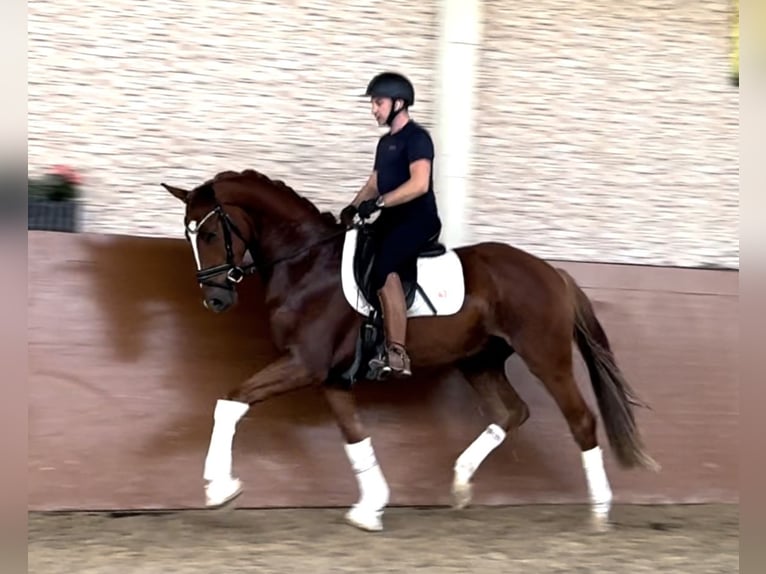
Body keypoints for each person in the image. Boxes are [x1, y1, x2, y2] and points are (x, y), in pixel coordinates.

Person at [339, 71, 442, 378]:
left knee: (385, 265)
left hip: (418, 219)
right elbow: (374, 183)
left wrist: (380, 203)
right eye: (373, 103)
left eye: (379, 102)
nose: (374, 109)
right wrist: (353, 207)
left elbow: (419, 184)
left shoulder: (417, 138)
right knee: (361, 252)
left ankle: (397, 353)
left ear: (399, 103)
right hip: (391, 217)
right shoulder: (385, 144)